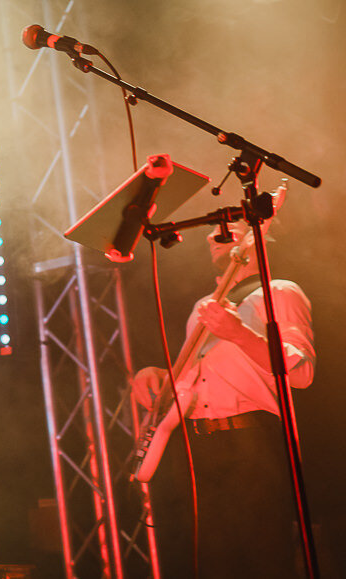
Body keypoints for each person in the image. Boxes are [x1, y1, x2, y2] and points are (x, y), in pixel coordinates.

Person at [131, 219, 314, 578]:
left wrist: (239, 334)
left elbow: (301, 372)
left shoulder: (281, 291)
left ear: (257, 236)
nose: (214, 236)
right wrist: (155, 375)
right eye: (211, 232)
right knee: (213, 563)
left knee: (262, 559)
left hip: (251, 440)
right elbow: (194, 378)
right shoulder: (204, 304)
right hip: (200, 446)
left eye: (229, 227)